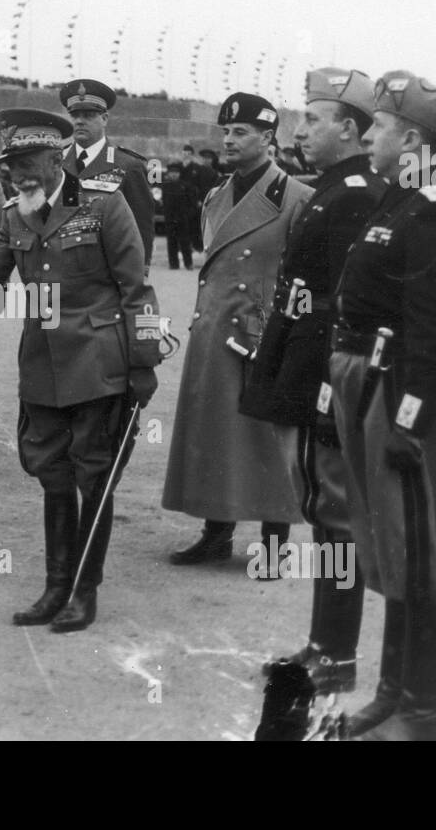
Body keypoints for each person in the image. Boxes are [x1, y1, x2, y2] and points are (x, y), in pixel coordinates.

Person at [0, 108, 162, 631]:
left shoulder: (104, 206)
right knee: (52, 477)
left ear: (56, 158)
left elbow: (139, 291)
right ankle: (54, 586)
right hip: (42, 368)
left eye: (27, 163)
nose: (17, 174)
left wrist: (145, 364)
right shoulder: (14, 215)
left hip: (99, 365)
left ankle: (84, 592)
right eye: (9, 164)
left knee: (95, 478)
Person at [329, 70, 436, 740]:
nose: (369, 135)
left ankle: (423, 711)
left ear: (413, 137)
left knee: (422, 556)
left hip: (411, 391)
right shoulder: (401, 201)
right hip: (381, 385)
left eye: (382, 126)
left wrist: (411, 420)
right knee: (392, 549)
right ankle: (393, 694)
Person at [241, 67, 385, 694]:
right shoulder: (334, 187)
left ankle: (336, 652)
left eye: (312, 119)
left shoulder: (354, 193)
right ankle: (326, 644)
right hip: (303, 356)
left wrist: (328, 384)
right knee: (324, 511)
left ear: (349, 128)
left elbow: (351, 304)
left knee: (335, 513)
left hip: (321, 367)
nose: (300, 129)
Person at [162, 92, 312, 572]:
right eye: (226, 131)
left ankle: (274, 546)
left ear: (268, 139)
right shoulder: (215, 195)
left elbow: (303, 278)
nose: (228, 140)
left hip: (260, 334)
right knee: (213, 432)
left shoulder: (296, 198)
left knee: (266, 439)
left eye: (240, 132)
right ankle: (215, 533)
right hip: (214, 331)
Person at [59, 79, 155, 270]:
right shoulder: (57, 162)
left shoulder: (128, 165)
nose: (79, 121)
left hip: (108, 271)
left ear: (104, 119)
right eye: (75, 115)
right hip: (62, 268)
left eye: (88, 115)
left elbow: (141, 225)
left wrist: (140, 271)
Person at [160, 161, 195, 270]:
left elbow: (191, 202)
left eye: (176, 172)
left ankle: (188, 264)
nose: (174, 174)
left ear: (179, 174)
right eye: (172, 172)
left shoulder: (185, 186)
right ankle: (173, 264)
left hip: (182, 218)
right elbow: (160, 202)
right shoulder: (164, 186)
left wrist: (187, 214)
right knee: (171, 241)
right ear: (168, 174)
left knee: (185, 242)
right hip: (170, 218)